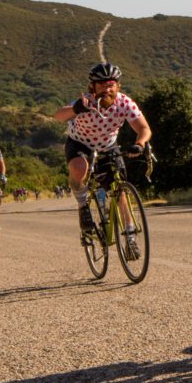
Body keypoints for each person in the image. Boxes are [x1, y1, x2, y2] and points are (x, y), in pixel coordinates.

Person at [53, 62, 151, 256]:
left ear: (117, 86)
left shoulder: (125, 103)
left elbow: (144, 128)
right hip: (80, 143)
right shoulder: (86, 102)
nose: (107, 89)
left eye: (111, 84)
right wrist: (76, 109)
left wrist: (139, 144)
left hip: (108, 146)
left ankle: (130, 237)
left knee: (119, 188)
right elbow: (58, 115)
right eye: (102, 85)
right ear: (93, 87)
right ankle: (82, 204)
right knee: (79, 170)